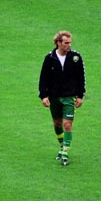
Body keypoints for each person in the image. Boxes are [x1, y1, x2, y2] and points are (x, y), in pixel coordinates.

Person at [38, 31, 86, 166]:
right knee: (57, 124)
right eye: (66, 43)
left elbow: (81, 77)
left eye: (70, 43)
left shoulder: (76, 57)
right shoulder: (50, 58)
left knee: (67, 124)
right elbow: (43, 78)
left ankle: (65, 152)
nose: (69, 45)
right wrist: (43, 96)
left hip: (69, 97)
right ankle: (61, 146)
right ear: (58, 43)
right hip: (54, 97)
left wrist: (80, 96)